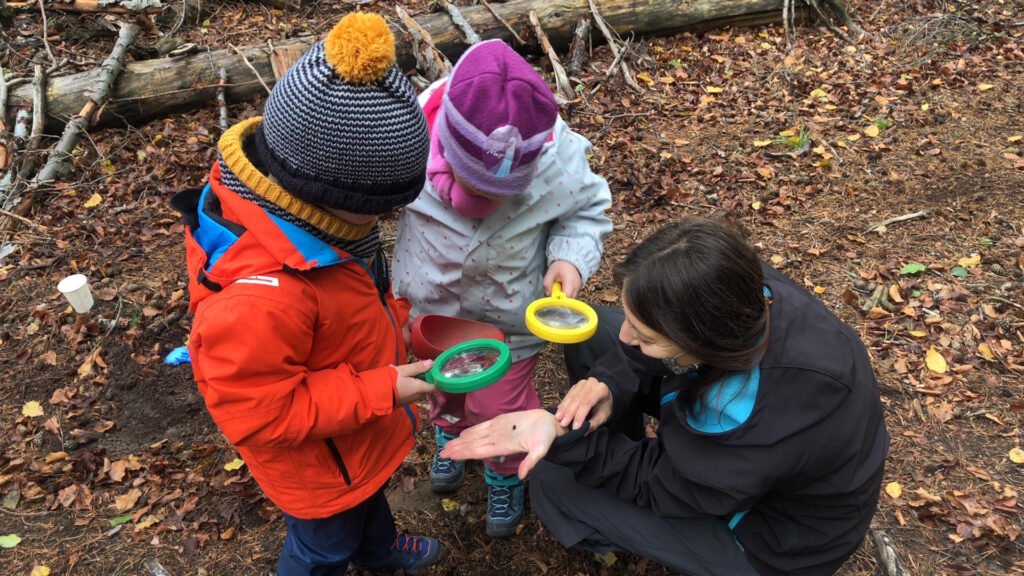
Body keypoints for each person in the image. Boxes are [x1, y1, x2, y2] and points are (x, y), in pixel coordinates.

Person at [441, 217, 890, 575]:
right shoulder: (740, 287)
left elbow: (663, 485)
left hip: (774, 542)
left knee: (553, 482)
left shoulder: (743, 413)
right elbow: (632, 346)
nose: (627, 334)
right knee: (594, 333)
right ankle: (613, 431)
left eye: (648, 335)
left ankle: (617, 536)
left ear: (703, 344)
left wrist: (563, 439)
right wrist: (610, 384)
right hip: (744, 468)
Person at [172, 14, 444, 575]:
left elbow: (350, 302)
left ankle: (380, 550)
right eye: (374, 206)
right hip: (318, 464)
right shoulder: (262, 298)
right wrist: (379, 388)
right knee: (324, 547)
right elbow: (260, 414)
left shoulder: (315, 229)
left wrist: (394, 327)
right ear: (317, 189)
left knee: (366, 502)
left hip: (352, 442)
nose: (383, 217)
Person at [391, 39, 613, 538]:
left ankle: (506, 470)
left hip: (509, 322)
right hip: (431, 313)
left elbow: (586, 213)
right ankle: (450, 433)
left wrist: (568, 260)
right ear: (444, 142)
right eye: (473, 188)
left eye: (500, 195)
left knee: (502, 407)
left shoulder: (558, 162)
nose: (484, 201)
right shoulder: (406, 139)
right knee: (442, 388)